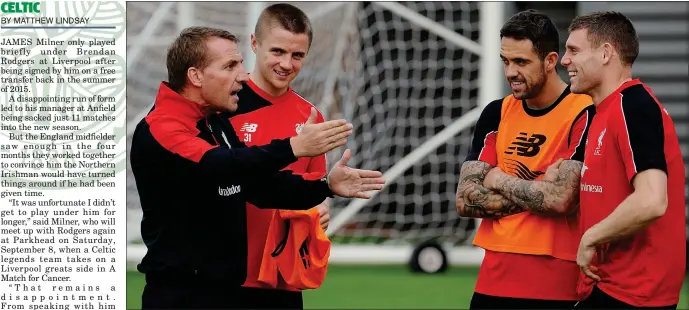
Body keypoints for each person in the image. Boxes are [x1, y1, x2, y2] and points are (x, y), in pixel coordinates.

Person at [129, 26, 385, 310]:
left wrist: (324, 186)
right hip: (182, 296)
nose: (242, 74)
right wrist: (293, 147)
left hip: (228, 292)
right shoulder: (162, 126)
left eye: (240, 63)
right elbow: (220, 166)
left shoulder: (215, 121)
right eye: (230, 66)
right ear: (195, 76)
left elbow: (257, 184)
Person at [455, 10, 595, 308]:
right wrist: (543, 188)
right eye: (506, 61)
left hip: (556, 278)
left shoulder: (584, 110)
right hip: (493, 278)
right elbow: (465, 200)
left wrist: (498, 179)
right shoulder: (497, 111)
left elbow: (562, 200)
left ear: (550, 61)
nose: (510, 72)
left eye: (521, 62)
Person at [560, 11, 686, 309]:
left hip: (634, 293)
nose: (565, 60)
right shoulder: (603, 112)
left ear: (606, 53)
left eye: (574, 50)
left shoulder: (633, 106)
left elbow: (652, 200)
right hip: (610, 285)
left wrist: (590, 238)